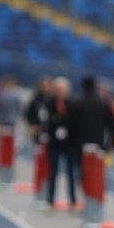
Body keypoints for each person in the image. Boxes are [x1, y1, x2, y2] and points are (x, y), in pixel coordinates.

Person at [44, 76, 80, 211]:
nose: (61, 92)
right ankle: (50, 200)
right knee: (53, 172)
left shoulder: (72, 104)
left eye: (63, 90)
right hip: (54, 143)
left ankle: (73, 200)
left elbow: (75, 124)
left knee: (71, 173)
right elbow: (46, 122)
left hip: (69, 144)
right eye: (59, 90)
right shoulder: (49, 104)